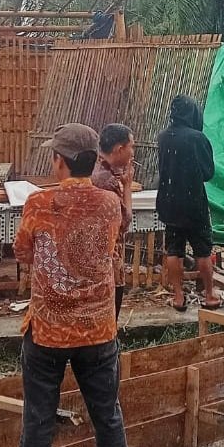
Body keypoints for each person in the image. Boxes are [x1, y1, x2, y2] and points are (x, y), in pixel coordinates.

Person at [14, 123, 130, 447]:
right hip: (98, 330)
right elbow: (111, 246)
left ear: (59, 161)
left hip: (48, 332)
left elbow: (23, 252)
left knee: (38, 422)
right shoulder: (110, 203)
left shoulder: (38, 203)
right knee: (108, 418)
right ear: (94, 159)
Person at [156, 94, 224, 311]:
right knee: (202, 250)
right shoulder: (197, 138)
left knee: (174, 250)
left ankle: (179, 297)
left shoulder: (163, 137)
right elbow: (208, 173)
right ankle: (210, 295)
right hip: (193, 203)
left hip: (169, 203)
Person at [94, 123, 136, 321]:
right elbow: (124, 222)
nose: (132, 152)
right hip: (107, 259)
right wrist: (127, 186)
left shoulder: (95, 170)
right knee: (108, 319)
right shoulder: (107, 181)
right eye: (131, 147)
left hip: (94, 258)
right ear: (120, 149)